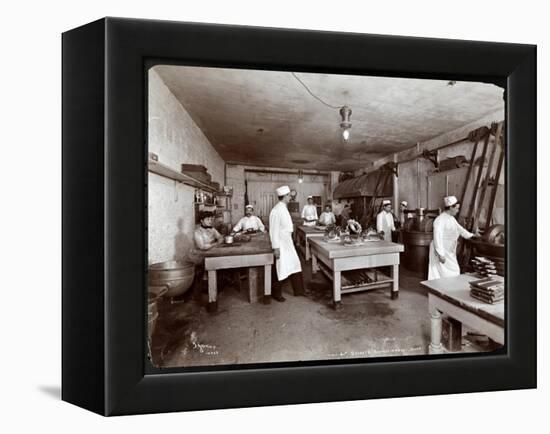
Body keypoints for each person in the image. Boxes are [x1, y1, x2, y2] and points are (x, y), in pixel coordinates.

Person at [268, 185, 306, 302]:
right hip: (281, 244)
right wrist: (276, 248)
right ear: (284, 196)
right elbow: (273, 230)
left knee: (295, 264)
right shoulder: (276, 210)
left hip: (288, 243)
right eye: (289, 195)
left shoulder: (283, 208)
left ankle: (299, 291)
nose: (290, 197)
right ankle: (276, 293)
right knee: (280, 268)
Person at [428, 195, 477, 280]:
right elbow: (437, 237)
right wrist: (441, 254)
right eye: (457, 208)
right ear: (451, 207)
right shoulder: (440, 220)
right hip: (440, 249)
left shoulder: (451, 219)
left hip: (448, 250)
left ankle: (447, 290)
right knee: (438, 272)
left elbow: (460, 229)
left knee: (452, 271)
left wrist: (472, 236)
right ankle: (437, 291)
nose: (458, 211)